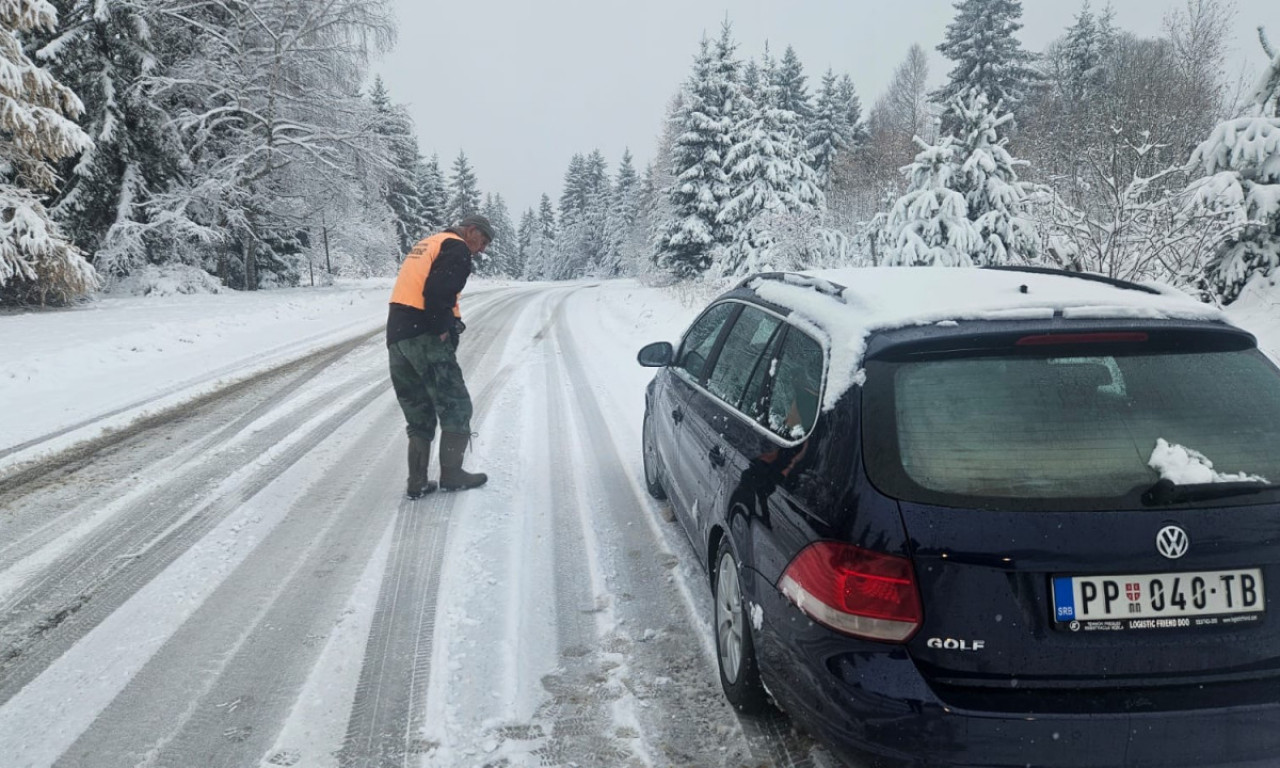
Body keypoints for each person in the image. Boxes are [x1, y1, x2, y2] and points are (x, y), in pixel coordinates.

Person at [386, 215, 492, 497]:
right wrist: (442, 328)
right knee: (456, 404)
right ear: (470, 231)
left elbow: (424, 288)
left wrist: (450, 320)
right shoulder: (456, 247)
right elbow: (436, 291)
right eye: (482, 241)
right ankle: (453, 475)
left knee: (418, 409)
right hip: (424, 335)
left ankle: (417, 482)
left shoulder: (429, 243)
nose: (480, 250)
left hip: (397, 335)